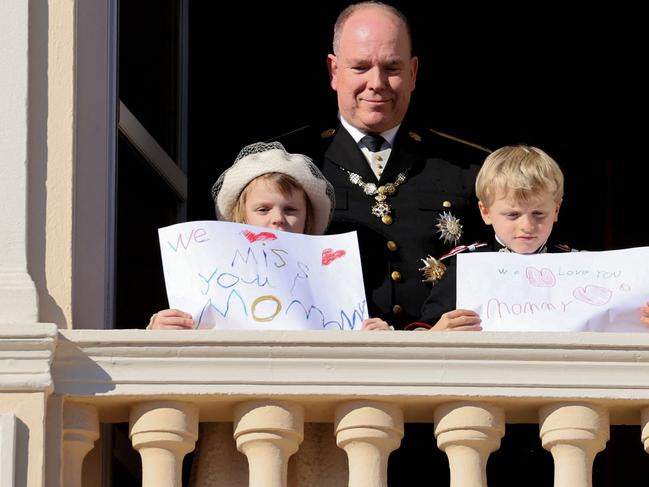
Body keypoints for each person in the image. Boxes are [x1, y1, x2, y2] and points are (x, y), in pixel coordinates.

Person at [273, 1, 491, 332]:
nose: (377, 83)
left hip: (444, 367)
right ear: (334, 71)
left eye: (392, 68)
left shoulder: (471, 168)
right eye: (360, 68)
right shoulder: (287, 162)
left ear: (413, 72)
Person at [148, 141, 390, 331]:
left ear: (308, 219)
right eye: (263, 209)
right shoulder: (205, 273)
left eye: (290, 210)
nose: (277, 219)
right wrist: (160, 330)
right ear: (241, 218)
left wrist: (373, 338)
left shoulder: (336, 282)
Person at [410, 144, 649, 332]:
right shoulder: (463, 265)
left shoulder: (581, 266)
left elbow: (621, 321)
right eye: (512, 214)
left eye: (538, 214)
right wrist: (437, 332)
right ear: (485, 212)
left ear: (556, 210)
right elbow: (427, 327)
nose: (527, 226)